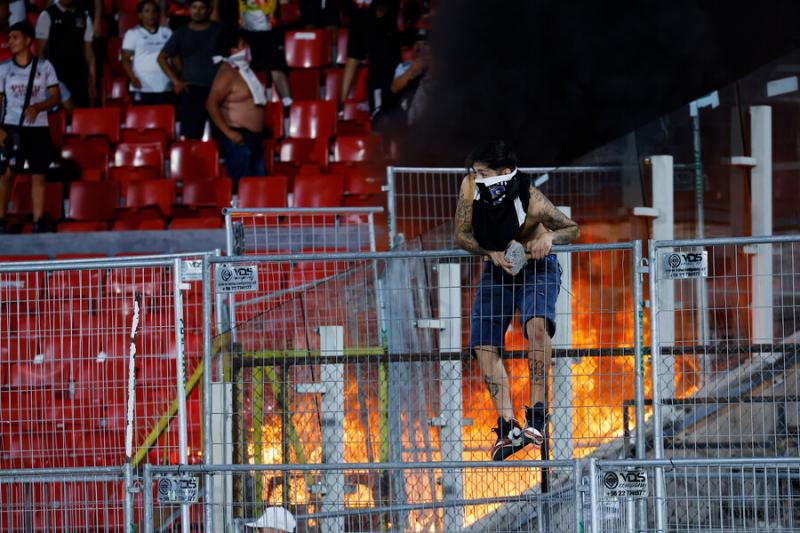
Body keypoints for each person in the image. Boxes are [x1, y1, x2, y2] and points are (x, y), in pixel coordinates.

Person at [453, 140, 579, 461]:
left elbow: (571, 228)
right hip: (498, 269)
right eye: (475, 172)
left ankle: (537, 415)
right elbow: (462, 235)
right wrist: (489, 252)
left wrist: (549, 237)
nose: (477, 177)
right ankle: (508, 427)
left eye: (484, 173)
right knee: (483, 344)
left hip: (537, 269)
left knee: (536, 327)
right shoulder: (470, 188)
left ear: (504, 173)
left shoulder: (532, 199)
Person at [0, 22, 61, 233]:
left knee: (38, 174)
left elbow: (55, 97)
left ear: (28, 40)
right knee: (7, 174)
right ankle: (0, 219)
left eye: (15, 37)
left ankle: (38, 220)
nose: (10, 42)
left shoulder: (44, 67)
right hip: (12, 125)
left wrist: (38, 106)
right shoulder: (4, 68)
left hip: (38, 127)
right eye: (9, 38)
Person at [206, 32, 265, 190]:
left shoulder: (245, 72)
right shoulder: (227, 73)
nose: (247, 48)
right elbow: (211, 104)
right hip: (238, 138)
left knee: (256, 189)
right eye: (243, 45)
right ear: (232, 50)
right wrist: (229, 133)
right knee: (242, 189)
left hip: (253, 138)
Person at [158, 0, 224, 139]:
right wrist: (176, 81)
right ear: (189, 9)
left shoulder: (220, 30)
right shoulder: (181, 32)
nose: (197, 11)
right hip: (192, 90)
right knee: (191, 138)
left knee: (221, 136)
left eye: (201, 8)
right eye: (194, 7)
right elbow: (161, 58)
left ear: (209, 10)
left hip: (218, 89)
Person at [339, 0, 400, 122]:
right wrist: (342, 102)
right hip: (362, 12)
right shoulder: (360, 17)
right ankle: (342, 105)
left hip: (392, 74)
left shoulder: (389, 16)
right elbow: (353, 58)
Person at [34, 0, 96, 107]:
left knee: (81, 116)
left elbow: (89, 54)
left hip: (79, 77)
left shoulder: (85, 17)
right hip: (57, 78)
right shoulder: (47, 15)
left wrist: (93, 82)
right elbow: (40, 53)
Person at [238, 0, 291, 107]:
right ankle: (248, 105)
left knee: (276, 68)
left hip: (270, 31)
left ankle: (288, 104)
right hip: (247, 31)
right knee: (245, 69)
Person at [122, 0, 173, 106]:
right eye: (147, 11)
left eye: (154, 11)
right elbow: (125, 59)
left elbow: (175, 57)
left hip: (164, 86)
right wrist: (133, 78)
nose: (151, 15)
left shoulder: (167, 33)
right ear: (140, 15)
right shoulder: (133, 33)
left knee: (163, 119)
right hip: (142, 86)